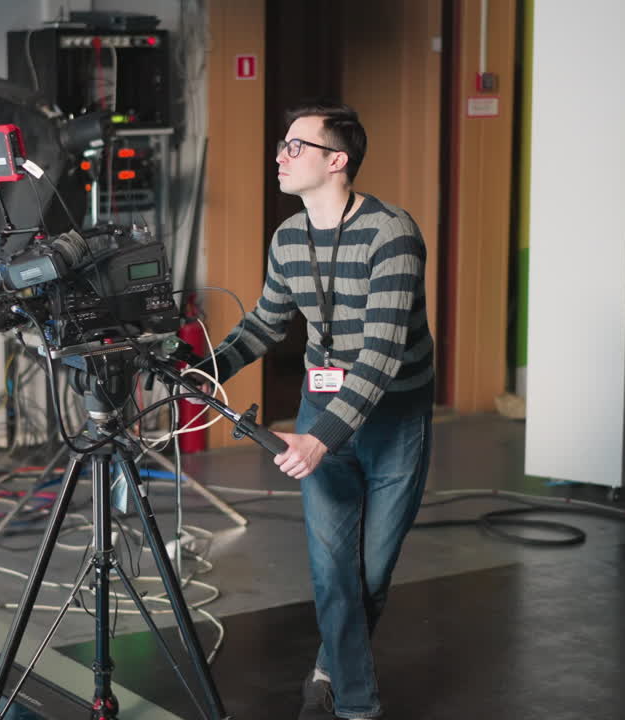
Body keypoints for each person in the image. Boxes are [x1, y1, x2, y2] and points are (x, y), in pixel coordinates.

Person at [196, 101, 434, 719]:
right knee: (333, 571)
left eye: (296, 146)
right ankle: (355, 702)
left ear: (337, 161)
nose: (280, 155)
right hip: (323, 405)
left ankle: (331, 662)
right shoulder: (288, 238)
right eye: (282, 144)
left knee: (372, 569)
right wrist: (205, 369)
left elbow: (381, 354)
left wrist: (318, 439)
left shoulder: (392, 233)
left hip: (394, 416)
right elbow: (267, 322)